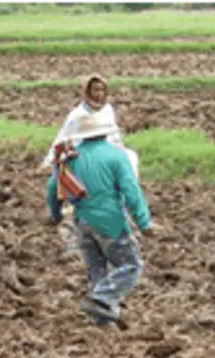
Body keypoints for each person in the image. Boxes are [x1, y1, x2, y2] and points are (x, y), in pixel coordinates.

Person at [46, 111, 154, 327]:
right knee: (131, 265)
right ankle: (101, 299)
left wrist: (56, 215)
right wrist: (144, 222)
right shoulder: (117, 157)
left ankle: (102, 320)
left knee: (97, 268)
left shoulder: (70, 158)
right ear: (106, 134)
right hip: (110, 220)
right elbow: (131, 191)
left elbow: (53, 188)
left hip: (82, 220)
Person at [40, 73, 140, 180]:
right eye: (96, 90)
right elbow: (62, 137)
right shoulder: (77, 114)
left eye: (102, 90)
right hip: (84, 152)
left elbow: (115, 139)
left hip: (107, 150)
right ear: (88, 92)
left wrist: (119, 151)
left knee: (131, 156)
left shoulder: (108, 110)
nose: (99, 94)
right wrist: (49, 161)